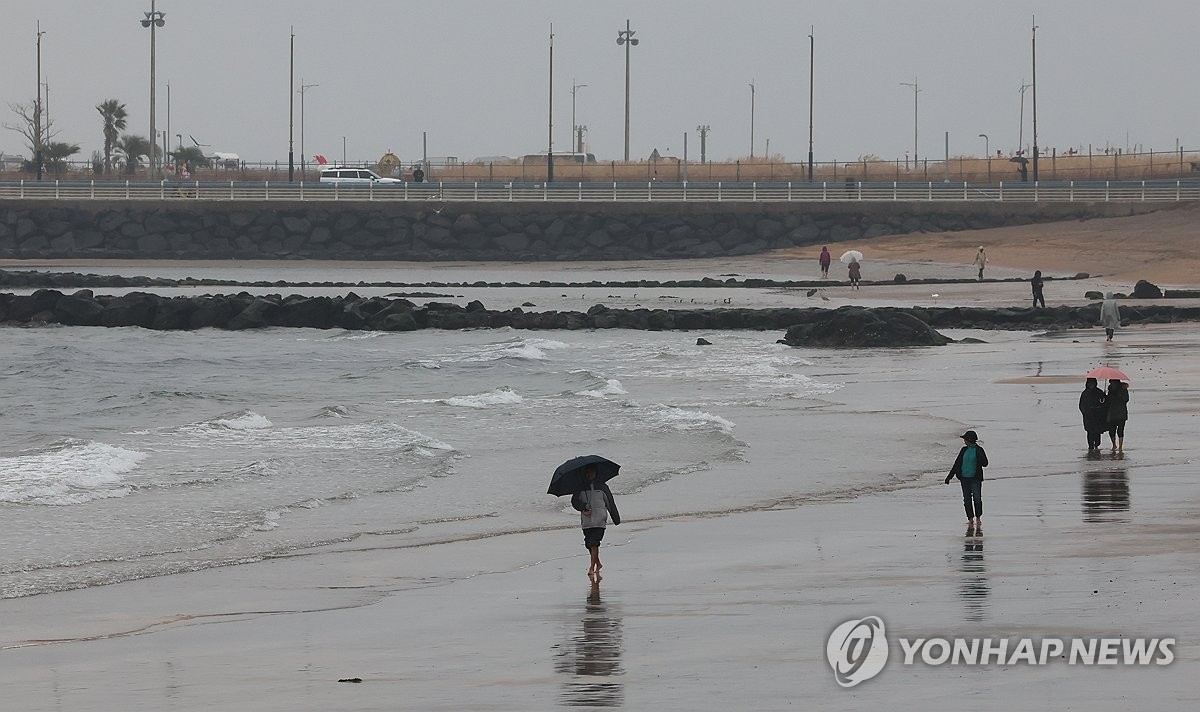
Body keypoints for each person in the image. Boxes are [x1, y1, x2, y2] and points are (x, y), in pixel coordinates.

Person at [571, 464, 621, 578]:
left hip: (600, 520)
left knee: (594, 543)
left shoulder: (602, 487)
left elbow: (610, 503)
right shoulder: (580, 488)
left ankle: (592, 568)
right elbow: (574, 502)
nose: (590, 475)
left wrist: (616, 518)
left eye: (592, 472)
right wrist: (583, 507)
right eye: (588, 472)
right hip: (587, 522)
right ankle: (598, 563)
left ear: (596, 473)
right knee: (588, 544)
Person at [945, 430, 989, 532]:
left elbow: (985, 463)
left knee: (977, 498)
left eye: (965, 439)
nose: (964, 440)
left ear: (969, 440)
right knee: (967, 499)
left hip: (975, 479)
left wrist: (979, 455)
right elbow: (957, 464)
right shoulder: (963, 450)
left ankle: (978, 518)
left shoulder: (979, 450)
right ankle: (970, 519)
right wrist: (949, 477)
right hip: (964, 479)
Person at [1078, 378, 1108, 450]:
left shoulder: (1099, 392)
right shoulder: (1085, 393)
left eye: (1093, 383)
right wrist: (1085, 413)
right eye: (1090, 383)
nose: (1091, 385)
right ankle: (1091, 446)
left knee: (1097, 432)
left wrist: (1104, 396)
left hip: (1097, 415)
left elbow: (1104, 403)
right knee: (1090, 432)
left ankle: (1097, 444)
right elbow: (1081, 405)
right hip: (1088, 416)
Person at [1106, 380, 1129, 452]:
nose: (1112, 384)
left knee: (1120, 430)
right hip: (1112, 413)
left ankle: (1120, 446)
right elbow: (1108, 402)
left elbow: (1126, 399)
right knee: (1111, 431)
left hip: (1121, 413)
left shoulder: (1123, 389)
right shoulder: (1110, 390)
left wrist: (1117, 396)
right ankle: (1114, 445)